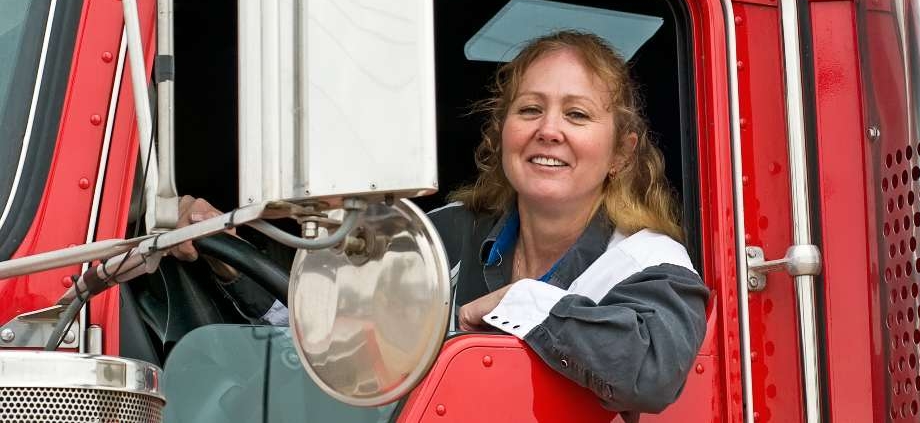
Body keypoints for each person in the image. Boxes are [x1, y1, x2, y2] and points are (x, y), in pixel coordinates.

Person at [173, 30, 708, 416]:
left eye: (577, 114)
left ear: (622, 151)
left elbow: (651, 372)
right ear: (501, 134)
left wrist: (518, 300)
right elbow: (339, 355)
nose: (549, 130)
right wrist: (229, 262)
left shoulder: (647, 263)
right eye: (529, 110)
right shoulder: (443, 236)